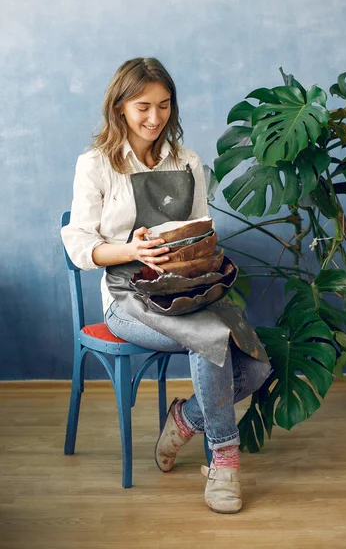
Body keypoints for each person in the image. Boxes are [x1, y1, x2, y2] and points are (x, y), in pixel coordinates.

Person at [61, 57, 272, 514]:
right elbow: (80, 244)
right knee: (209, 340)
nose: (154, 118)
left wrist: (195, 255)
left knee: (256, 368)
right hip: (126, 296)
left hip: (191, 289)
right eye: (142, 107)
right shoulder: (96, 164)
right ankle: (225, 461)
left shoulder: (187, 161)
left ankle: (184, 418)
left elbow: (200, 229)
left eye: (163, 105)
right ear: (120, 108)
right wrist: (133, 250)